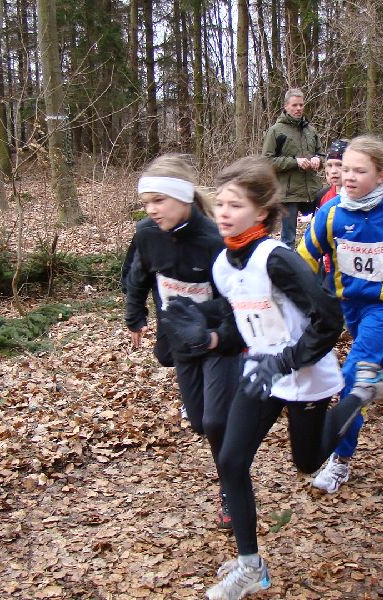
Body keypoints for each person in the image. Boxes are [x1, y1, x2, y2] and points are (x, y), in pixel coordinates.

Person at [169, 156, 383, 600]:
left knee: (307, 462)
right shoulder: (223, 265)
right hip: (261, 372)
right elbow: (242, 327)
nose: (224, 213)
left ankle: (360, 392)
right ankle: (251, 567)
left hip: (304, 371)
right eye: (221, 204)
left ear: (262, 213)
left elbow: (328, 320)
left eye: (235, 205)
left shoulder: (278, 260)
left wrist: (284, 362)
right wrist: (211, 336)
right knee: (231, 461)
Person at [298, 135, 383, 493]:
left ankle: (340, 460)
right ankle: (375, 380)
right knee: (368, 372)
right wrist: (289, 294)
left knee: (351, 379)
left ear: (381, 176)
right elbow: (304, 257)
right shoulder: (331, 213)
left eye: (359, 171)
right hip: (348, 306)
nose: (349, 176)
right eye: (345, 169)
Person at [123, 154, 241, 528]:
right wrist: (135, 317)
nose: (151, 209)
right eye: (146, 202)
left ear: (183, 196)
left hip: (218, 340)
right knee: (201, 423)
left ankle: (232, 490)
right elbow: (137, 275)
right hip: (180, 340)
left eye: (159, 200)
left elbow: (238, 300)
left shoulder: (215, 239)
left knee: (216, 421)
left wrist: (212, 328)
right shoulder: (147, 233)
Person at [261, 88, 322, 248]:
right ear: (286, 106)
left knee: (319, 233)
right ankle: (288, 262)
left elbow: (322, 154)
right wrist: (295, 162)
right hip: (288, 194)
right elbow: (267, 161)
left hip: (312, 191)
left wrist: (318, 160)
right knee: (288, 239)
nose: (298, 108)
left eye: (301, 105)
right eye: (294, 105)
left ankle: (313, 260)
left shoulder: (311, 130)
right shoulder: (276, 131)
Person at [313, 139, 348, 211]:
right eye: (330, 165)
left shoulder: (362, 198)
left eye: (340, 165)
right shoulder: (322, 195)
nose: (333, 171)